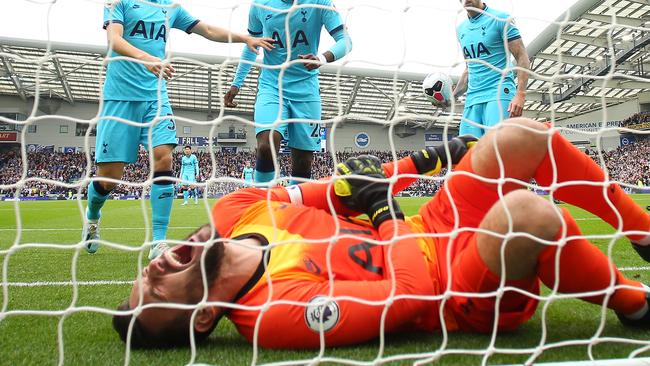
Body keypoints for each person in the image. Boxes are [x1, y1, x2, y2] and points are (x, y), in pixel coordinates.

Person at [112, 118, 650, 349]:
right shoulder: (273, 315)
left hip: (430, 223)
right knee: (528, 214)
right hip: (455, 291)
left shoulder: (238, 208)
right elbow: (412, 295)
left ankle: (644, 231)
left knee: (521, 136)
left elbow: (350, 188)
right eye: (156, 293)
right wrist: (387, 217)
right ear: (205, 315)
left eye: (145, 274)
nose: (155, 269)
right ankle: (636, 304)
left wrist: (423, 162)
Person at [83, 0, 274, 260]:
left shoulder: (170, 7)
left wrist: (243, 38)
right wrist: (147, 58)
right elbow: (113, 40)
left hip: (156, 97)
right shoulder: (120, 2)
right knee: (109, 179)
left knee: (164, 157)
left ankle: (158, 241)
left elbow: (206, 29)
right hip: (119, 98)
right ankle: (93, 215)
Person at [223, 0, 352, 185]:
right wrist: (237, 83)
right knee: (267, 146)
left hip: (306, 91)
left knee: (303, 163)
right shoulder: (260, 5)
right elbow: (252, 46)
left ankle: (294, 208)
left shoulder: (320, 3)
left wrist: (321, 58)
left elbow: (346, 41)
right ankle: (263, 202)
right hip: (271, 86)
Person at [452, 0, 530, 138]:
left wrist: (520, 94)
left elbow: (521, 56)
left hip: (499, 94)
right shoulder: (461, 29)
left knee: (496, 150)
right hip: (472, 99)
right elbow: (469, 68)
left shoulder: (501, 19)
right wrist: (453, 96)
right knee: (467, 153)